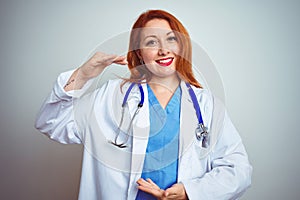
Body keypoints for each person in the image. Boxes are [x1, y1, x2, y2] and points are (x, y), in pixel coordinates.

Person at [35, 9, 252, 200]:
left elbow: (238, 170)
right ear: (139, 52)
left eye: (170, 39)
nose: (163, 50)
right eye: (151, 42)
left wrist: (190, 192)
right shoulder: (111, 96)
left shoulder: (206, 105)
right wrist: (83, 74)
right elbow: (51, 123)